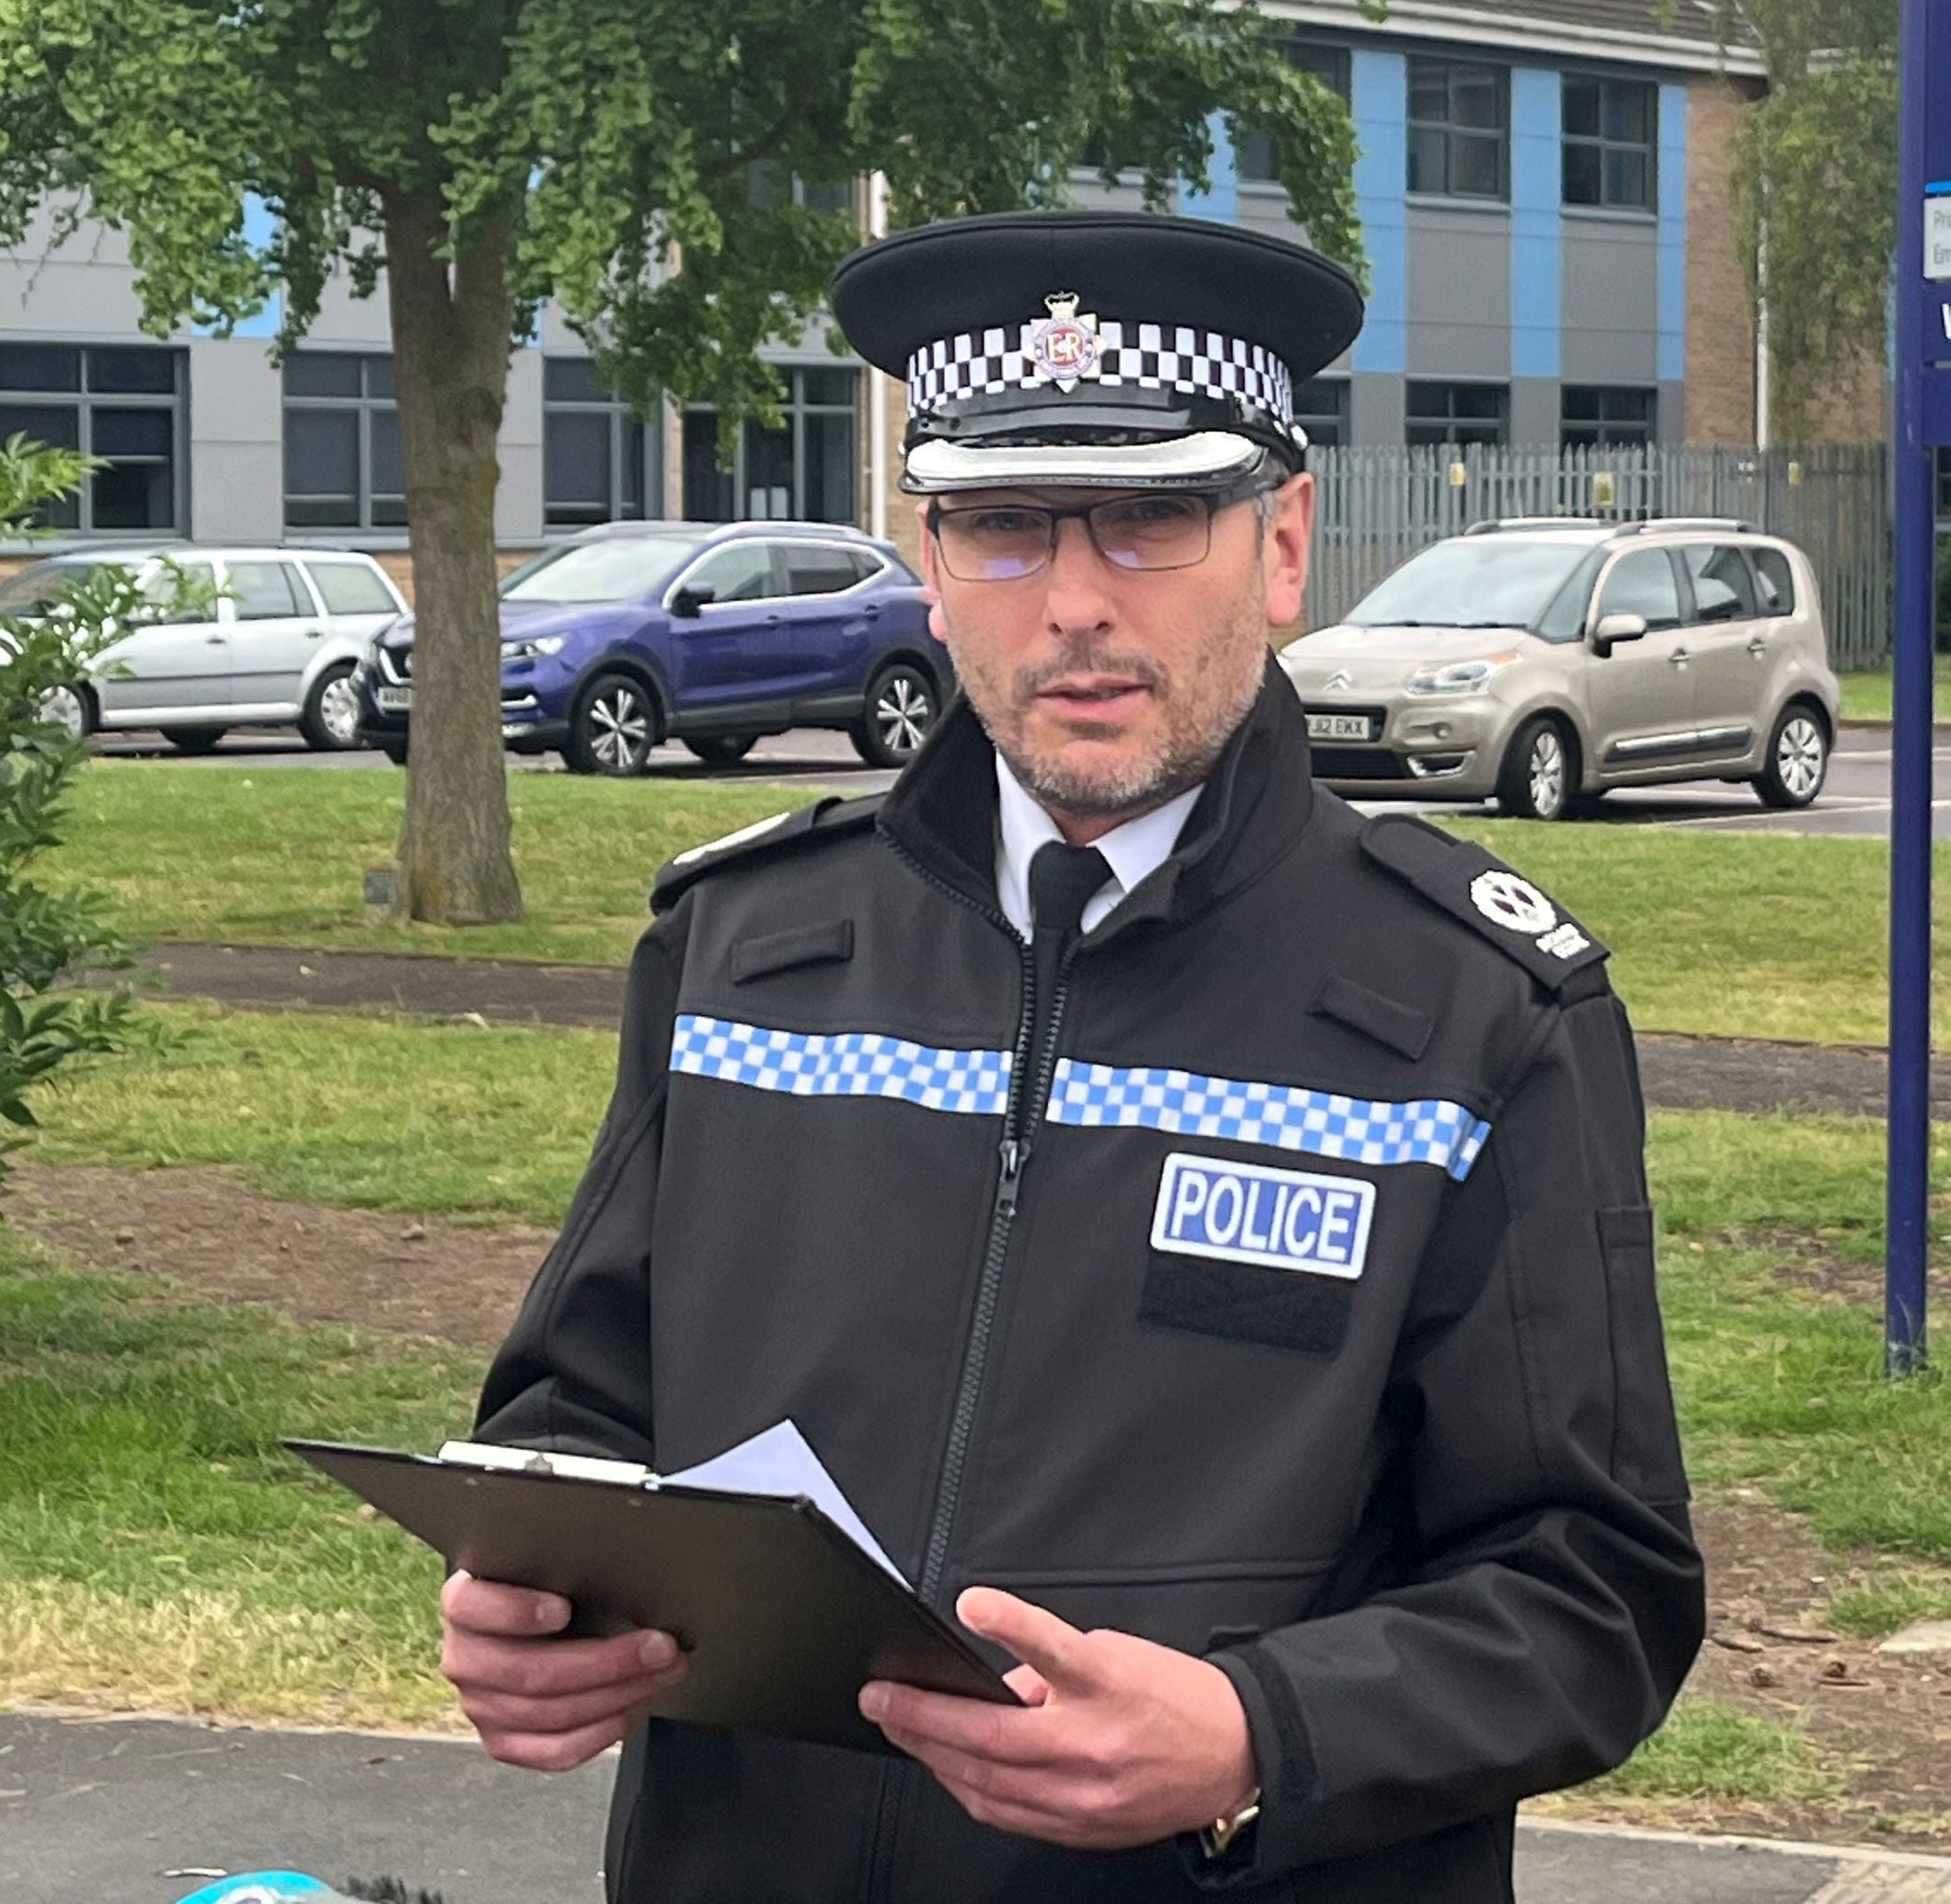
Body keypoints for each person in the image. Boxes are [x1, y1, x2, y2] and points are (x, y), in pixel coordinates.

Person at [439, 210, 1703, 1901]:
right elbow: (582, 1403)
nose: (1080, 601)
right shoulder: (743, 949)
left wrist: (1261, 1733)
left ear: (1280, 542)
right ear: (933, 555)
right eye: (1009, 528)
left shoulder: (1475, 1009)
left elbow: (1591, 1586)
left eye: (1154, 518)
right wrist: (544, 1595)